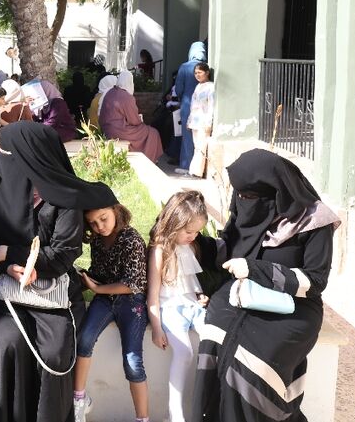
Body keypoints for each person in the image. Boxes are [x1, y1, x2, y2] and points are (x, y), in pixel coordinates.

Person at [0, 121, 116, 422]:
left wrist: (10, 252)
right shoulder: (1, 183)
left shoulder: (65, 197)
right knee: (7, 344)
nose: (2, 159)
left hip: (52, 295)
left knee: (53, 352)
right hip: (5, 290)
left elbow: (62, 255)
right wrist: (8, 263)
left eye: (8, 152)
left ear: (32, 155)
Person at [192, 149, 340, 422]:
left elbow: (316, 281)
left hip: (294, 306)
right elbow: (229, 249)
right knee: (214, 343)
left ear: (277, 194)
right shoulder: (246, 206)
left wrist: (256, 269)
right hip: (240, 296)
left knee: (253, 364)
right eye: (240, 195)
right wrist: (194, 243)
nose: (241, 202)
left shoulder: (314, 221)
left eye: (248, 197)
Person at [75, 199, 149, 422]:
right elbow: (99, 272)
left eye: (103, 218)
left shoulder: (131, 239)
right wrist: (83, 277)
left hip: (131, 301)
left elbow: (134, 283)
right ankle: (79, 399)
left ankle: (142, 418)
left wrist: (96, 287)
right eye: (93, 223)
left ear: (115, 210)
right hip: (105, 299)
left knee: (133, 361)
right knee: (84, 340)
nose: (99, 226)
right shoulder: (97, 240)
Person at [146, 191, 210, 422]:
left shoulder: (190, 247)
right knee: (184, 352)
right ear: (174, 223)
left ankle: (210, 405)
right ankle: (175, 414)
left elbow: (188, 282)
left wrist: (199, 297)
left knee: (213, 342)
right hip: (170, 308)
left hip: (192, 307)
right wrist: (156, 327)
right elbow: (153, 294)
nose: (193, 236)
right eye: (188, 231)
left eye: (196, 231)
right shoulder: (159, 250)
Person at [99, 71, 163, 162]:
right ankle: (149, 159)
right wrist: (140, 119)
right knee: (152, 132)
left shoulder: (110, 92)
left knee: (146, 130)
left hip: (107, 129)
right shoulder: (126, 96)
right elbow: (134, 121)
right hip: (119, 131)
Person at [175, 42, 207, 171]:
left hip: (188, 106)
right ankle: (199, 167)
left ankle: (186, 165)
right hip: (204, 108)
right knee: (200, 137)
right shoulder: (205, 67)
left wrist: (180, 98)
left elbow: (179, 89)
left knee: (187, 136)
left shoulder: (184, 67)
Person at [187, 63, 215, 177]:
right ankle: (194, 170)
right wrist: (189, 120)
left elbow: (211, 105)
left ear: (207, 73)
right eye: (195, 73)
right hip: (195, 121)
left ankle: (197, 172)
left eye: (200, 72)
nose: (197, 75)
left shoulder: (211, 87)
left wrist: (209, 122)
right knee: (196, 146)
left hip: (204, 122)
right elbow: (193, 105)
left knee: (201, 146)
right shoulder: (198, 86)